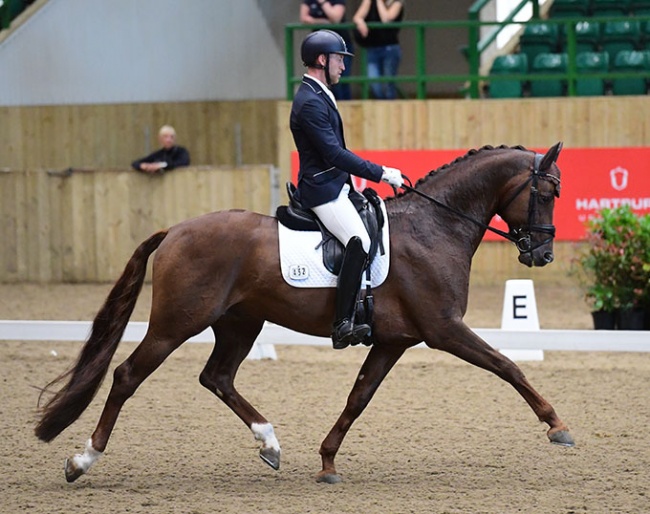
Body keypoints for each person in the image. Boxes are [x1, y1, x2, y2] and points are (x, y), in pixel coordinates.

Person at [290, 29, 404, 350]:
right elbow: (334, 154)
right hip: (321, 189)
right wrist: (381, 172)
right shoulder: (309, 101)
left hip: (336, 183)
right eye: (340, 59)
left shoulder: (321, 93)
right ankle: (342, 323)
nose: (344, 66)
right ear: (322, 60)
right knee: (360, 240)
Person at [300, 0, 354, 100]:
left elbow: (336, 18)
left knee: (340, 81)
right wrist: (323, 22)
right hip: (319, 47)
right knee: (322, 80)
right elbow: (304, 18)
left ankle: (341, 106)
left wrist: (323, 2)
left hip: (339, 46)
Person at [353, 0, 405, 100]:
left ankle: (390, 106)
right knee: (374, 82)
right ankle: (382, 103)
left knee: (388, 83)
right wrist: (360, 22)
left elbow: (386, 19)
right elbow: (357, 16)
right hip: (373, 47)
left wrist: (379, 2)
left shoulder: (397, 2)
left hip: (389, 48)